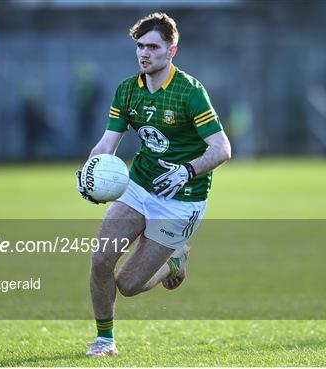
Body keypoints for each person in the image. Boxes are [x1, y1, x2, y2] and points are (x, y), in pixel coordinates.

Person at [76, 12, 231, 356]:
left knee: (127, 285)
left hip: (181, 200)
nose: (144, 53)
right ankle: (104, 340)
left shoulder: (189, 93)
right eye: (140, 46)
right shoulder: (128, 90)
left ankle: (174, 261)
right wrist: (90, 171)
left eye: (153, 47)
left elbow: (222, 148)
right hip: (139, 185)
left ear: (171, 51)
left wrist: (187, 171)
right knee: (101, 259)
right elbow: (106, 144)